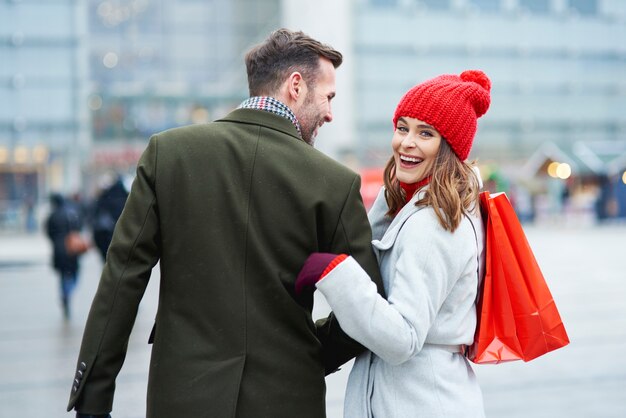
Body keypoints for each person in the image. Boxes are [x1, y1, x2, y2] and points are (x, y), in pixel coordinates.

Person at [67, 28, 383, 418]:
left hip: (183, 398)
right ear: (296, 86)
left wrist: (93, 401)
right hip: (288, 399)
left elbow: (121, 280)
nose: (331, 113)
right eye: (329, 97)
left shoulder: (169, 154)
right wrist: (309, 350)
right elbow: (368, 307)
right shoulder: (334, 182)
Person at [296, 70, 491, 417]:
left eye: (425, 133)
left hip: (422, 401)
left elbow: (402, 339)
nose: (406, 142)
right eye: (402, 127)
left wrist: (334, 273)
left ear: (449, 147)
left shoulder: (435, 223)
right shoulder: (412, 205)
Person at [45, 193, 83, 319]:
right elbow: (78, 227)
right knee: (74, 274)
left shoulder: (52, 215)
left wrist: (57, 240)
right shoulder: (71, 213)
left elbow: (48, 232)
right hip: (72, 248)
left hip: (58, 249)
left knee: (63, 275)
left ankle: (65, 293)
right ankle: (68, 292)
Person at [91, 174, 130, 261]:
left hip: (106, 236)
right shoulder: (127, 198)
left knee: (108, 261)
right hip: (122, 237)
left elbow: (95, 216)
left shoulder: (105, 197)